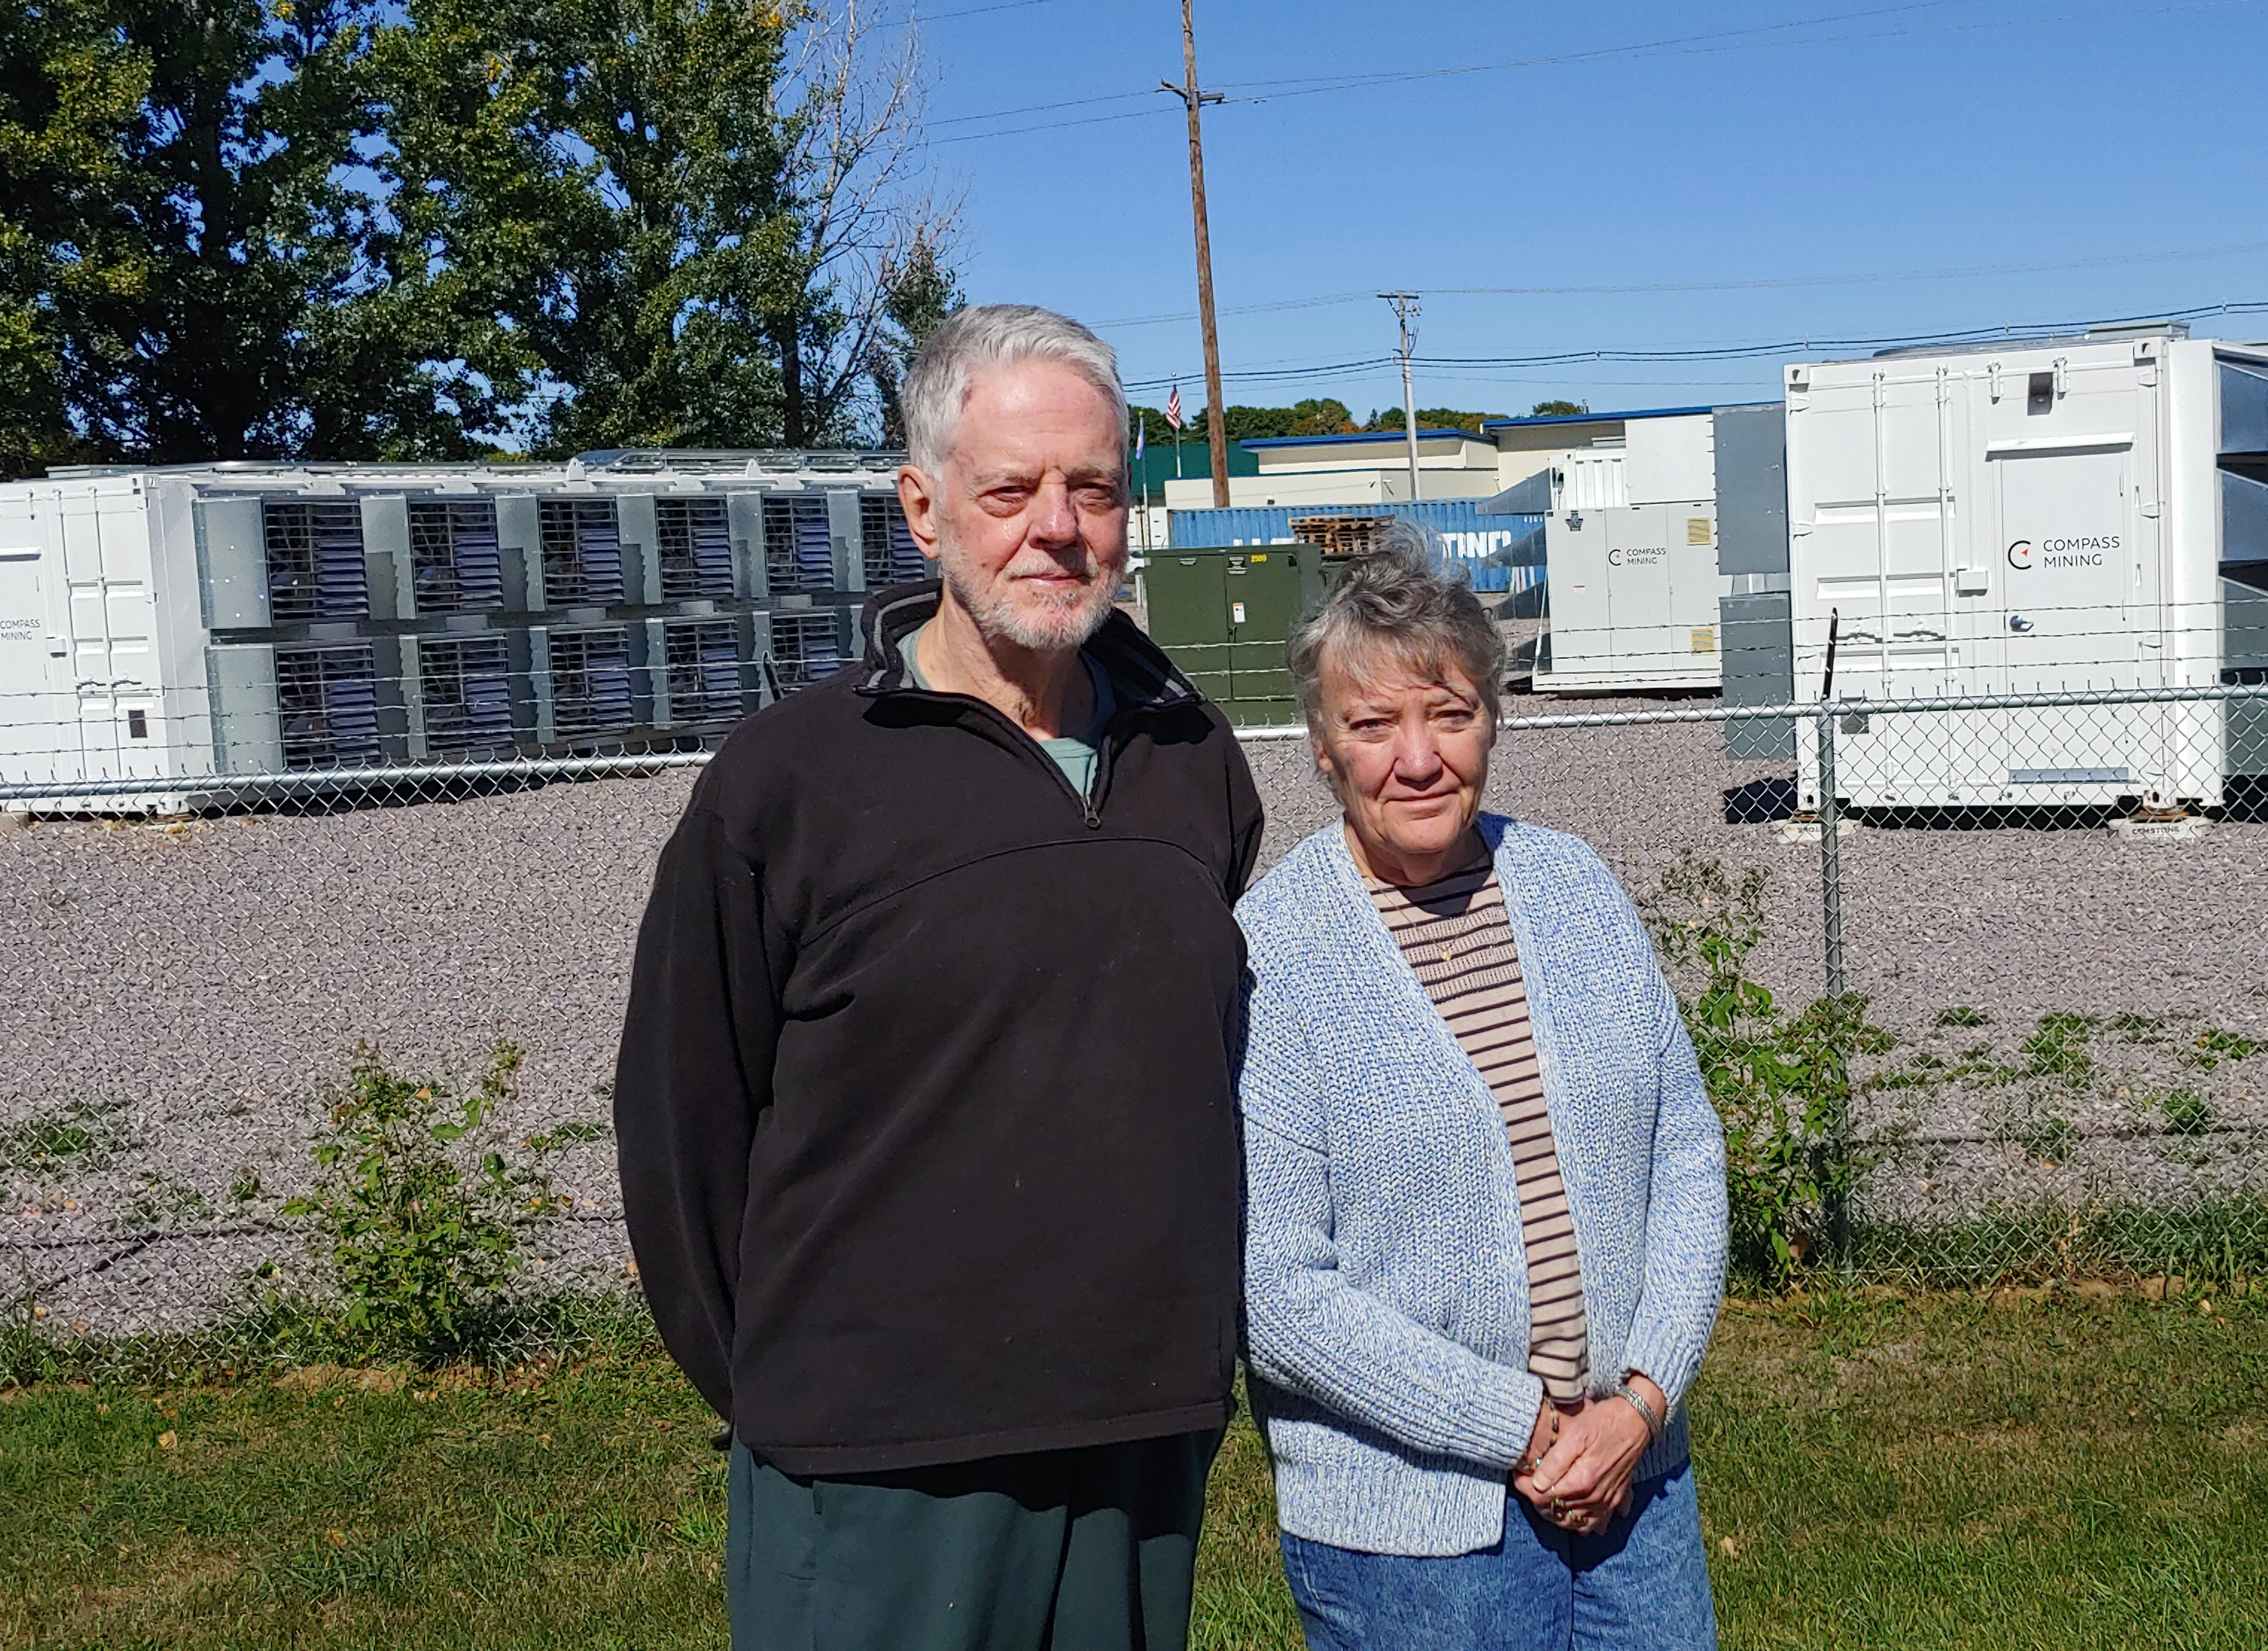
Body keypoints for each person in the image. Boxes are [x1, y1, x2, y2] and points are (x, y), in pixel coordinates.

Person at [614, 303, 1265, 1651]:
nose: (1057, 526)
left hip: (1140, 1438)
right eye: (1010, 489)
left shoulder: (1190, 756)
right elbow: (684, 1132)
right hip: (878, 1464)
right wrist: (801, 1383)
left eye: (1090, 487)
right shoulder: (787, 787)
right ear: (923, 509)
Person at [1232, 526, 1729, 1650]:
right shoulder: (1274, 950)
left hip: (1635, 1488)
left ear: (1492, 722)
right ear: (1322, 747)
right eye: (1374, 724)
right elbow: (1273, 1290)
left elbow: (1686, 1153)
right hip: (1411, 1535)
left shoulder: (1573, 883)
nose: (1418, 758)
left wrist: (1640, 1405)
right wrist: (1520, 1428)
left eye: (1449, 714)